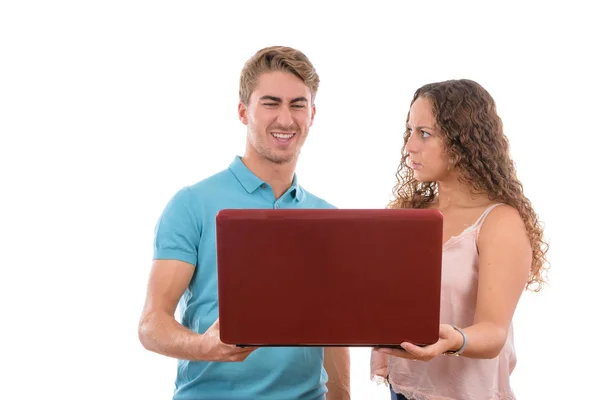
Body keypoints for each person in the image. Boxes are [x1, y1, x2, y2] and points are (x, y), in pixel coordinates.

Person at [138, 46, 350, 400]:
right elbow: (151, 325)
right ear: (243, 111)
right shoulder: (192, 204)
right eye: (271, 103)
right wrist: (205, 345)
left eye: (298, 104)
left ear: (312, 114)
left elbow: (333, 332)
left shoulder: (328, 217)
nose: (286, 118)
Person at [371, 79, 549, 400]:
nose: (409, 146)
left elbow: (493, 332)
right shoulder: (410, 213)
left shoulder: (499, 221)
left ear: (462, 140)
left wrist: (452, 341)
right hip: (403, 391)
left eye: (424, 133)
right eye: (409, 132)